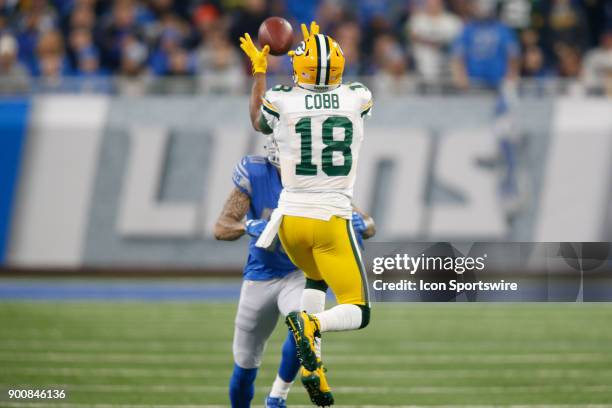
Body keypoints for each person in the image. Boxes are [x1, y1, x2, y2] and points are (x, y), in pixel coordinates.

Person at [238, 20, 374, 406]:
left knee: (315, 283)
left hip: (291, 225)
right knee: (358, 310)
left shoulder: (281, 99)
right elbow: (333, 90)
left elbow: (257, 120)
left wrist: (261, 71)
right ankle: (314, 323)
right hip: (331, 220)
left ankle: (298, 379)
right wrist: (317, 53)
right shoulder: (358, 96)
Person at [215, 140, 375, 407]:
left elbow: (368, 224)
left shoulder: (320, 180)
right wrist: (246, 226)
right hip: (260, 274)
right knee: (244, 364)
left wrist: (363, 223)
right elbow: (221, 228)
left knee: (303, 328)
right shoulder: (255, 174)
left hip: (298, 272)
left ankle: (277, 395)